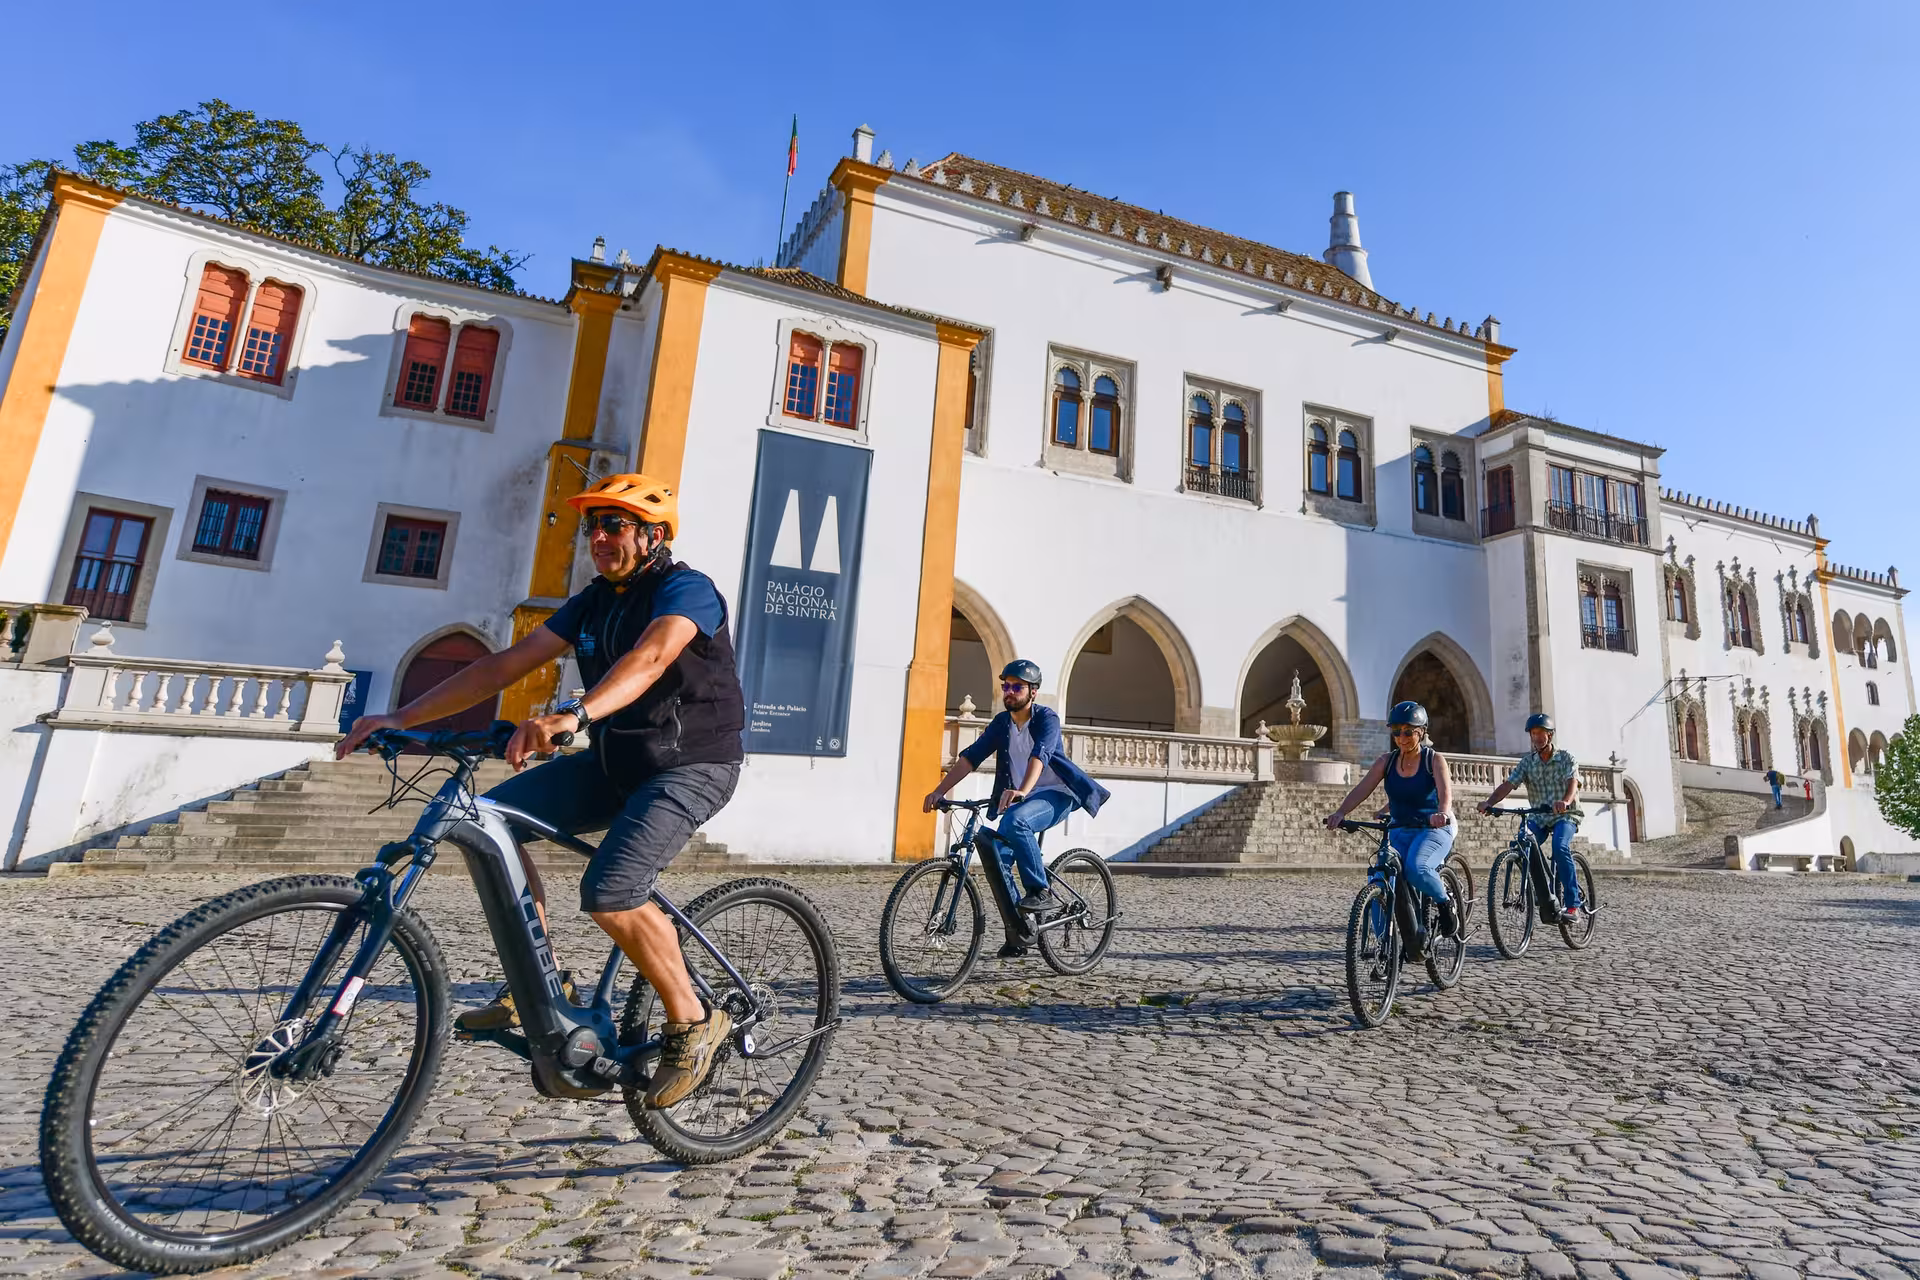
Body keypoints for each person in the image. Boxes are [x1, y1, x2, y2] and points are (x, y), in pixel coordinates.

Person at [335, 473, 745, 1109]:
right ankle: (540, 983)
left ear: (653, 535)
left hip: (690, 764)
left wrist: (576, 715)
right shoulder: (594, 599)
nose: (599, 537)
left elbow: (652, 659)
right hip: (616, 762)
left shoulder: (686, 589)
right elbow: (504, 665)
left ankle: (694, 1021)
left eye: (615, 525)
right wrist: (401, 717)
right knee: (493, 821)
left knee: (612, 892)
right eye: (592, 526)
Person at [922, 660, 1112, 957]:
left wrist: (1023, 790)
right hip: (1021, 795)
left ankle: (1040, 891)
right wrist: (939, 791)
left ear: (1033, 692)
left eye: (1016, 686)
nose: (1008, 692)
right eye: (1005, 686)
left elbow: (1041, 755)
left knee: (1018, 822)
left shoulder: (1046, 718)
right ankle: (1020, 932)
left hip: (1056, 792)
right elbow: (971, 757)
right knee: (996, 855)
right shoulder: (1002, 723)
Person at [1323, 700, 1460, 956]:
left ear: (1421, 731)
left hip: (1432, 830)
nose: (1402, 737)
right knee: (1379, 875)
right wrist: (1342, 812)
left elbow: (1445, 794)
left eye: (1408, 731)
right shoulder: (1386, 762)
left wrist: (1441, 813)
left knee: (1417, 868)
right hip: (1399, 829)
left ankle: (1445, 902)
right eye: (1396, 731)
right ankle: (1384, 943)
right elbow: (1362, 789)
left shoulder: (1434, 760)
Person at [1479, 711, 1583, 923]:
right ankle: (1540, 889)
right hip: (1540, 818)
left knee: (1560, 847)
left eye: (1541, 733)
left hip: (1565, 815)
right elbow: (1508, 784)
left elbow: (1572, 781)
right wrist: (1490, 802)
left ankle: (1573, 906)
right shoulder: (1527, 763)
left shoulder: (1565, 758)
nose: (1536, 737)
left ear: (1550, 736)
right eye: (1533, 733)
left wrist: (1565, 800)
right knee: (1520, 842)